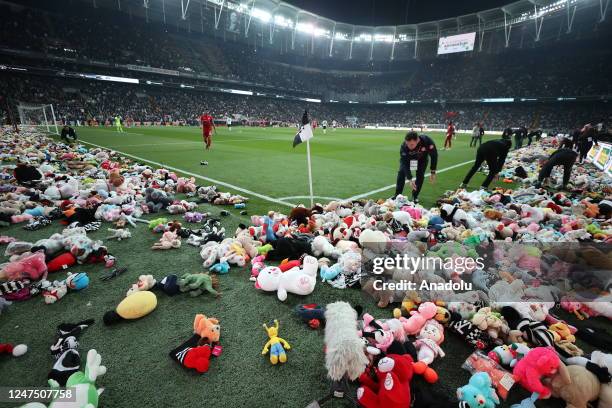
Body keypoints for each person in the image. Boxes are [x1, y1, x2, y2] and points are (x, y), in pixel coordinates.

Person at [393, 131, 438, 203]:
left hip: (421, 159)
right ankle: (397, 195)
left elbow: (434, 156)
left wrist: (433, 172)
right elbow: (404, 163)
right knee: (401, 172)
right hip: (408, 159)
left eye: (411, 144)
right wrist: (410, 178)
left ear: (417, 141)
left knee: (420, 175)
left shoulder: (427, 142)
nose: (408, 146)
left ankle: (415, 195)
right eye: (407, 143)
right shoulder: (404, 146)